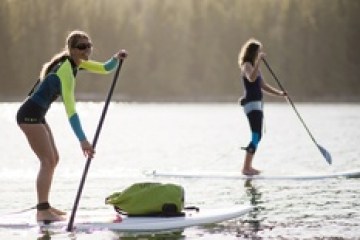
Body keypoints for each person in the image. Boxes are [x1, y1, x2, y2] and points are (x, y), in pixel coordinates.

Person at [16, 30, 128, 222]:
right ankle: (42, 210)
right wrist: (83, 140)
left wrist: (116, 58)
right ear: (72, 50)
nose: (86, 51)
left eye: (89, 46)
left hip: (37, 115)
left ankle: (45, 205)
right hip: (29, 115)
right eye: (81, 47)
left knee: (53, 159)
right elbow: (71, 110)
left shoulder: (76, 63)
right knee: (47, 161)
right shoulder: (65, 70)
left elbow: (104, 68)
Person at [238, 38, 286, 175]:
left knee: (257, 136)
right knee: (256, 135)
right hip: (251, 104)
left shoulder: (255, 67)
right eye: (258, 51)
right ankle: (246, 168)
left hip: (257, 104)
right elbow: (251, 79)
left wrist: (280, 94)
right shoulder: (247, 65)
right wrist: (259, 61)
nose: (261, 53)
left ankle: (247, 167)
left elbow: (263, 86)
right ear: (253, 52)